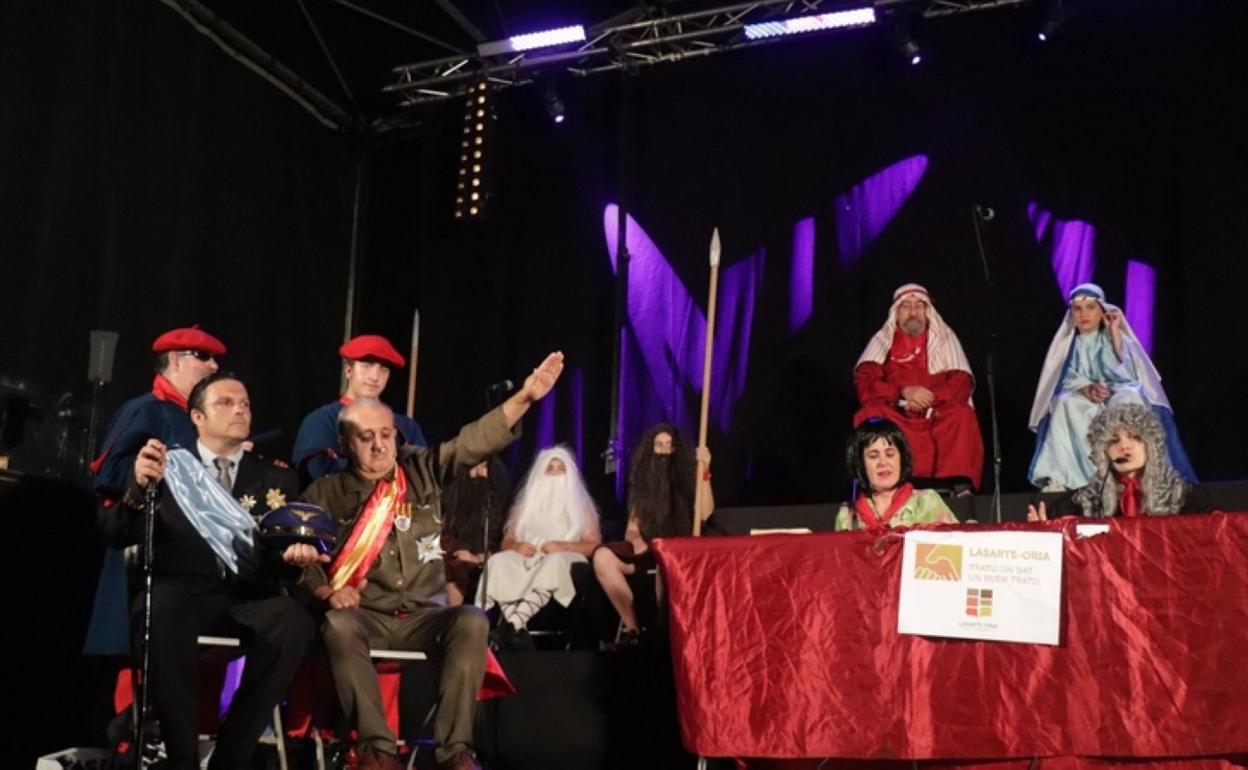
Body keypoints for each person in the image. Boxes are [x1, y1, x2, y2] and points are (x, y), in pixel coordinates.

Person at [301, 352, 564, 770]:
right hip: (366, 615)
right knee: (337, 624)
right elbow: (301, 557)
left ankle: (455, 751)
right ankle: (377, 749)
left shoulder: (422, 471)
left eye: (385, 434)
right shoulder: (324, 493)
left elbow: (473, 441)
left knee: (471, 619)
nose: (378, 445)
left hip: (424, 616)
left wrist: (525, 398)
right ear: (346, 444)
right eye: (366, 437)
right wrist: (326, 592)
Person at [98, 372, 322, 770]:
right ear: (197, 417)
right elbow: (115, 534)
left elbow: (278, 562)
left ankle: (232, 756)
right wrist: (136, 490)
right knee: (161, 607)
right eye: (226, 403)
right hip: (182, 594)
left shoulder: (278, 476)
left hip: (248, 598)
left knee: (293, 620)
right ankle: (182, 757)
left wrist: (293, 560)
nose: (240, 410)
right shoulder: (168, 466)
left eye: (245, 404)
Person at [85, 325, 227, 655]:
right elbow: (110, 473)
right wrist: (155, 469)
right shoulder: (146, 409)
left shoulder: (197, 419)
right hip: (145, 549)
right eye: (203, 356)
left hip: (189, 559)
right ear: (175, 360)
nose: (214, 366)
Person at [1028, 283, 1196, 491]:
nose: (1084, 314)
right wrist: (1087, 389)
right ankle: (1076, 478)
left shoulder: (1115, 337)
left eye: (1090, 308)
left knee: (1129, 398)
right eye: (1078, 309)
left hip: (1116, 391)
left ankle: (1133, 473)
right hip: (1085, 397)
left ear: (1102, 311)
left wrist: (1114, 333)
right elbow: (1064, 377)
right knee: (1064, 403)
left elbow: (1127, 373)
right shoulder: (1068, 345)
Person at [853, 283, 984, 490]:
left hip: (935, 412)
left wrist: (930, 397)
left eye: (919, 306)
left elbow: (962, 382)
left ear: (927, 311)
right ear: (897, 313)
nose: (913, 312)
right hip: (897, 412)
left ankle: (957, 486)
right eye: (906, 306)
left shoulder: (944, 339)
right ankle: (883, 485)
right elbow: (866, 383)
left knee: (961, 414)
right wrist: (902, 393)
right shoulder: (882, 342)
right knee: (871, 414)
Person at [592, 423, 713, 647]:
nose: (664, 450)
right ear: (651, 449)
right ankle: (632, 628)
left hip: (679, 551)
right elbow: (632, 528)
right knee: (602, 557)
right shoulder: (642, 484)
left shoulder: (689, 478)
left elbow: (705, 513)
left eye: (669, 445)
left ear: (676, 449)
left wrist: (704, 472)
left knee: (664, 566)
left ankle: (663, 634)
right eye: (659, 445)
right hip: (648, 549)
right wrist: (637, 540)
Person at [477, 447, 600, 650]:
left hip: (566, 558)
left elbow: (593, 545)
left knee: (554, 562)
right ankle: (516, 630)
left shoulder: (582, 506)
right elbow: (507, 541)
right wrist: (517, 546)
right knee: (498, 561)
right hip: (530, 556)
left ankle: (511, 626)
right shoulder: (524, 506)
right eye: (550, 469)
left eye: (560, 469)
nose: (555, 473)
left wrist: (563, 546)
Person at [1027, 403, 1209, 521]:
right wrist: (1042, 536)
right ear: (1102, 451)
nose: (1124, 446)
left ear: (1151, 445)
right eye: (1114, 441)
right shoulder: (1081, 503)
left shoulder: (1185, 497)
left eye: (1135, 437)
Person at [292, 334, 427, 483]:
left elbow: (423, 474)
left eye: (383, 369)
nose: (374, 377)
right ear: (348, 371)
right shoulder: (321, 420)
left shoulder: (407, 426)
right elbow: (316, 471)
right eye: (366, 366)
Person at [834, 418, 958, 531]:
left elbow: (957, 543)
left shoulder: (926, 502)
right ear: (860, 464)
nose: (883, 462)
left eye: (890, 454)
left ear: (901, 459)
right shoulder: (848, 514)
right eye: (873, 456)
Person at [440, 457, 510, 607]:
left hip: (488, 557)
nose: (478, 473)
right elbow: (445, 530)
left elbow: (505, 543)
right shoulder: (454, 496)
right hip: (455, 551)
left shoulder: (498, 503)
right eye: (473, 468)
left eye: (483, 467)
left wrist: (478, 558)